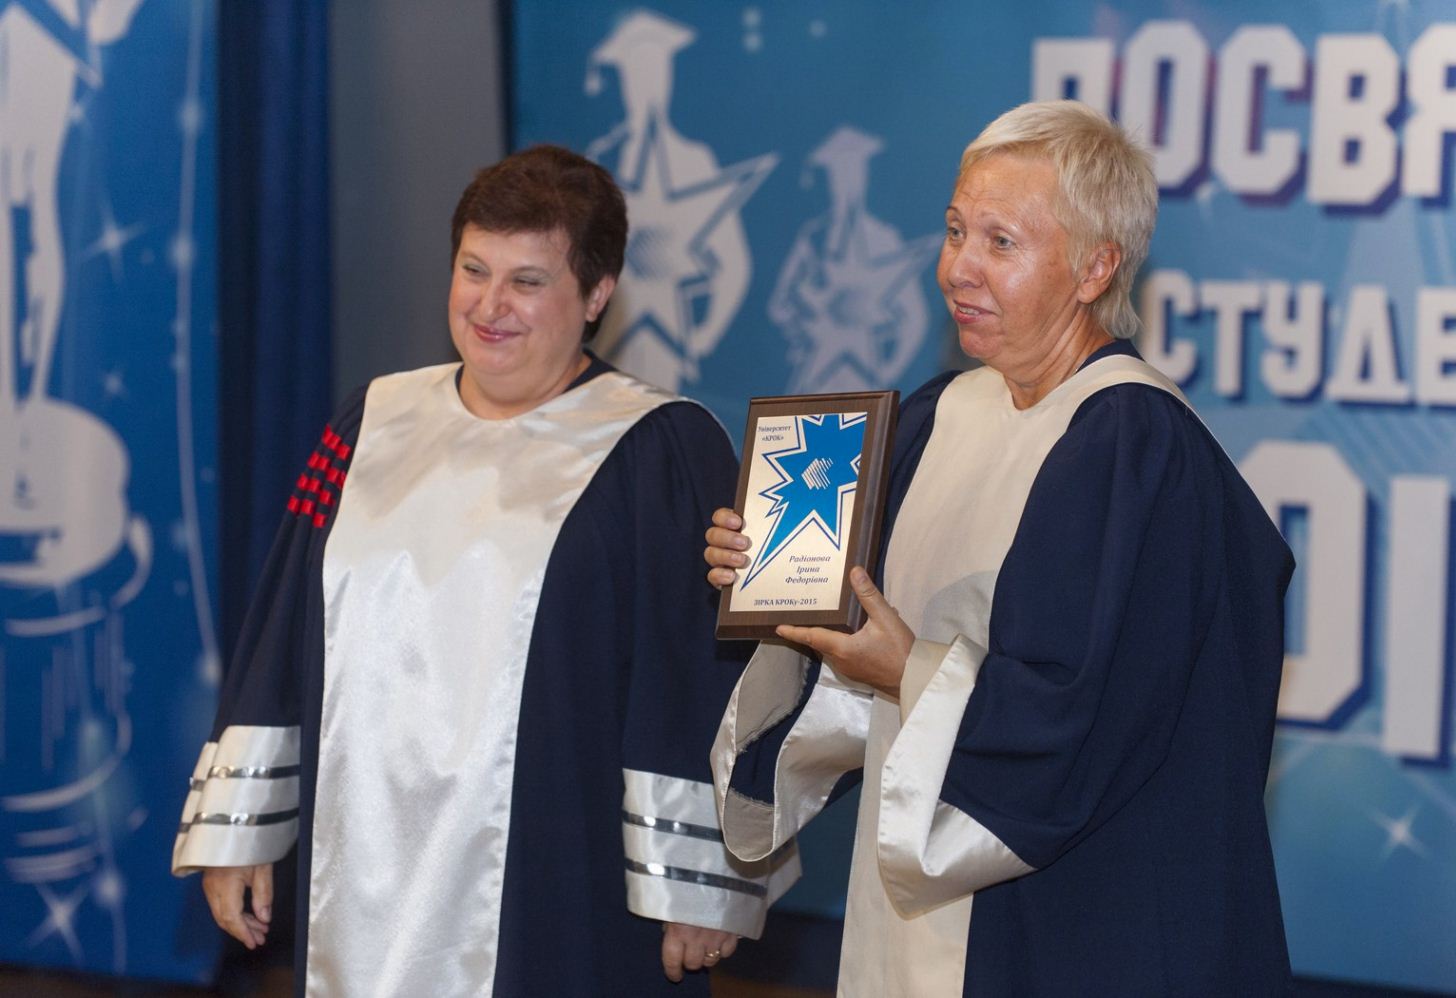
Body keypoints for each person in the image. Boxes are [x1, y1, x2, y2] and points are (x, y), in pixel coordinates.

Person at [173, 145, 797, 996]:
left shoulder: (655, 449)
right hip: (358, 864)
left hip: (555, 883)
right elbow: (285, 621)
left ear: (597, 294)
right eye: (474, 270)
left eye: (527, 281)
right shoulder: (372, 422)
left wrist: (699, 883)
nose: (489, 305)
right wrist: (241, 829)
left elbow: (693, 677)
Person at [704, 101, 1294, 996]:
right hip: (915, 904)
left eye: (1001, 242)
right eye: (954, 231)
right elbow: (861, 624)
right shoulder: (938, 413)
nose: (958, 268)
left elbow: (1090, 714)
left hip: (1077, 919)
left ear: (1095, 268)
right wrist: (775, 577)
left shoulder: (1132, 444)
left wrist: (908, 669)